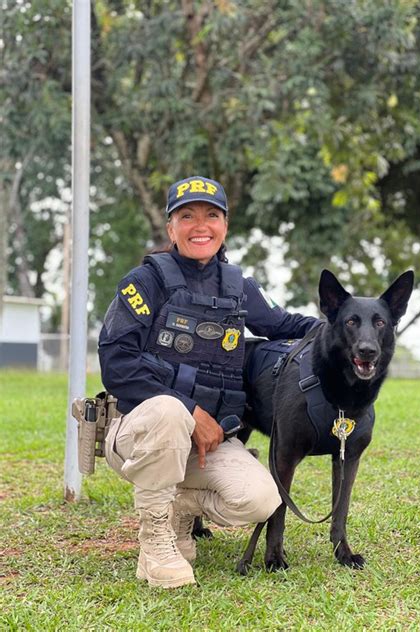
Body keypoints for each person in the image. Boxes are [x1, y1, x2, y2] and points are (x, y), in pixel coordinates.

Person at [99, 176, 318, 589]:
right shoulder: (144, 282)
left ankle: (180, 508)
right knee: (167, 410)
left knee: (262, 499)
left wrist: (343, 324)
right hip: (139, 434)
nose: (200, 225)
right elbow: (117, 362)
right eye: (187, 216)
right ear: (171, 228)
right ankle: (156, 541)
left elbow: (284, 324)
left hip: (209, 443)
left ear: (225, 225)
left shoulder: (238, 287)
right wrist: (190, 409)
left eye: (211, 215)